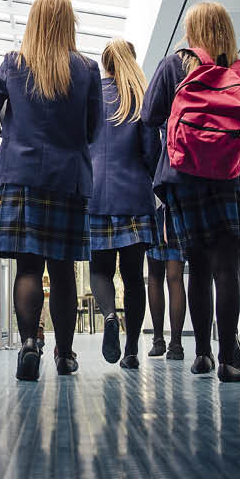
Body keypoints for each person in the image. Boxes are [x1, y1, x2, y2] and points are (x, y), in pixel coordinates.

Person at [140, 1, 240, 382]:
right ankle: (229, 354)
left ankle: (201, 354)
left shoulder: (173, 65)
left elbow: (149, 116)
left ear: (191, 31)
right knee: (227, 268)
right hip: (232, 180)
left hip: (185, 180)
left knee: (196, 266)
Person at [0, 0, 102, 382]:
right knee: (63, 271)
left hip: (21, 176)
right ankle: (65, 355)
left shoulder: (13, 63)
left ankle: (29, 344)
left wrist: (8, 128)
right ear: (69, 24)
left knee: (28, 267)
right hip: (68, 179)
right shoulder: (87, 69)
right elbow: (93, 130)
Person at [87, 39, 160, 369]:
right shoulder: (140, 96)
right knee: (133, 277)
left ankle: (110, 317)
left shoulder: (90, 94)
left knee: (100, 270)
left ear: (104, 64)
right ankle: (131, 349)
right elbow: (151, 153)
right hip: (134, 196)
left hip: (95, 194)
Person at [146, 210, 187, 362]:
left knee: (155, 276)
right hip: (176, 208)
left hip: (154, 210)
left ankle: (158, 341)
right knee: (175, 278)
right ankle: (176, 344)